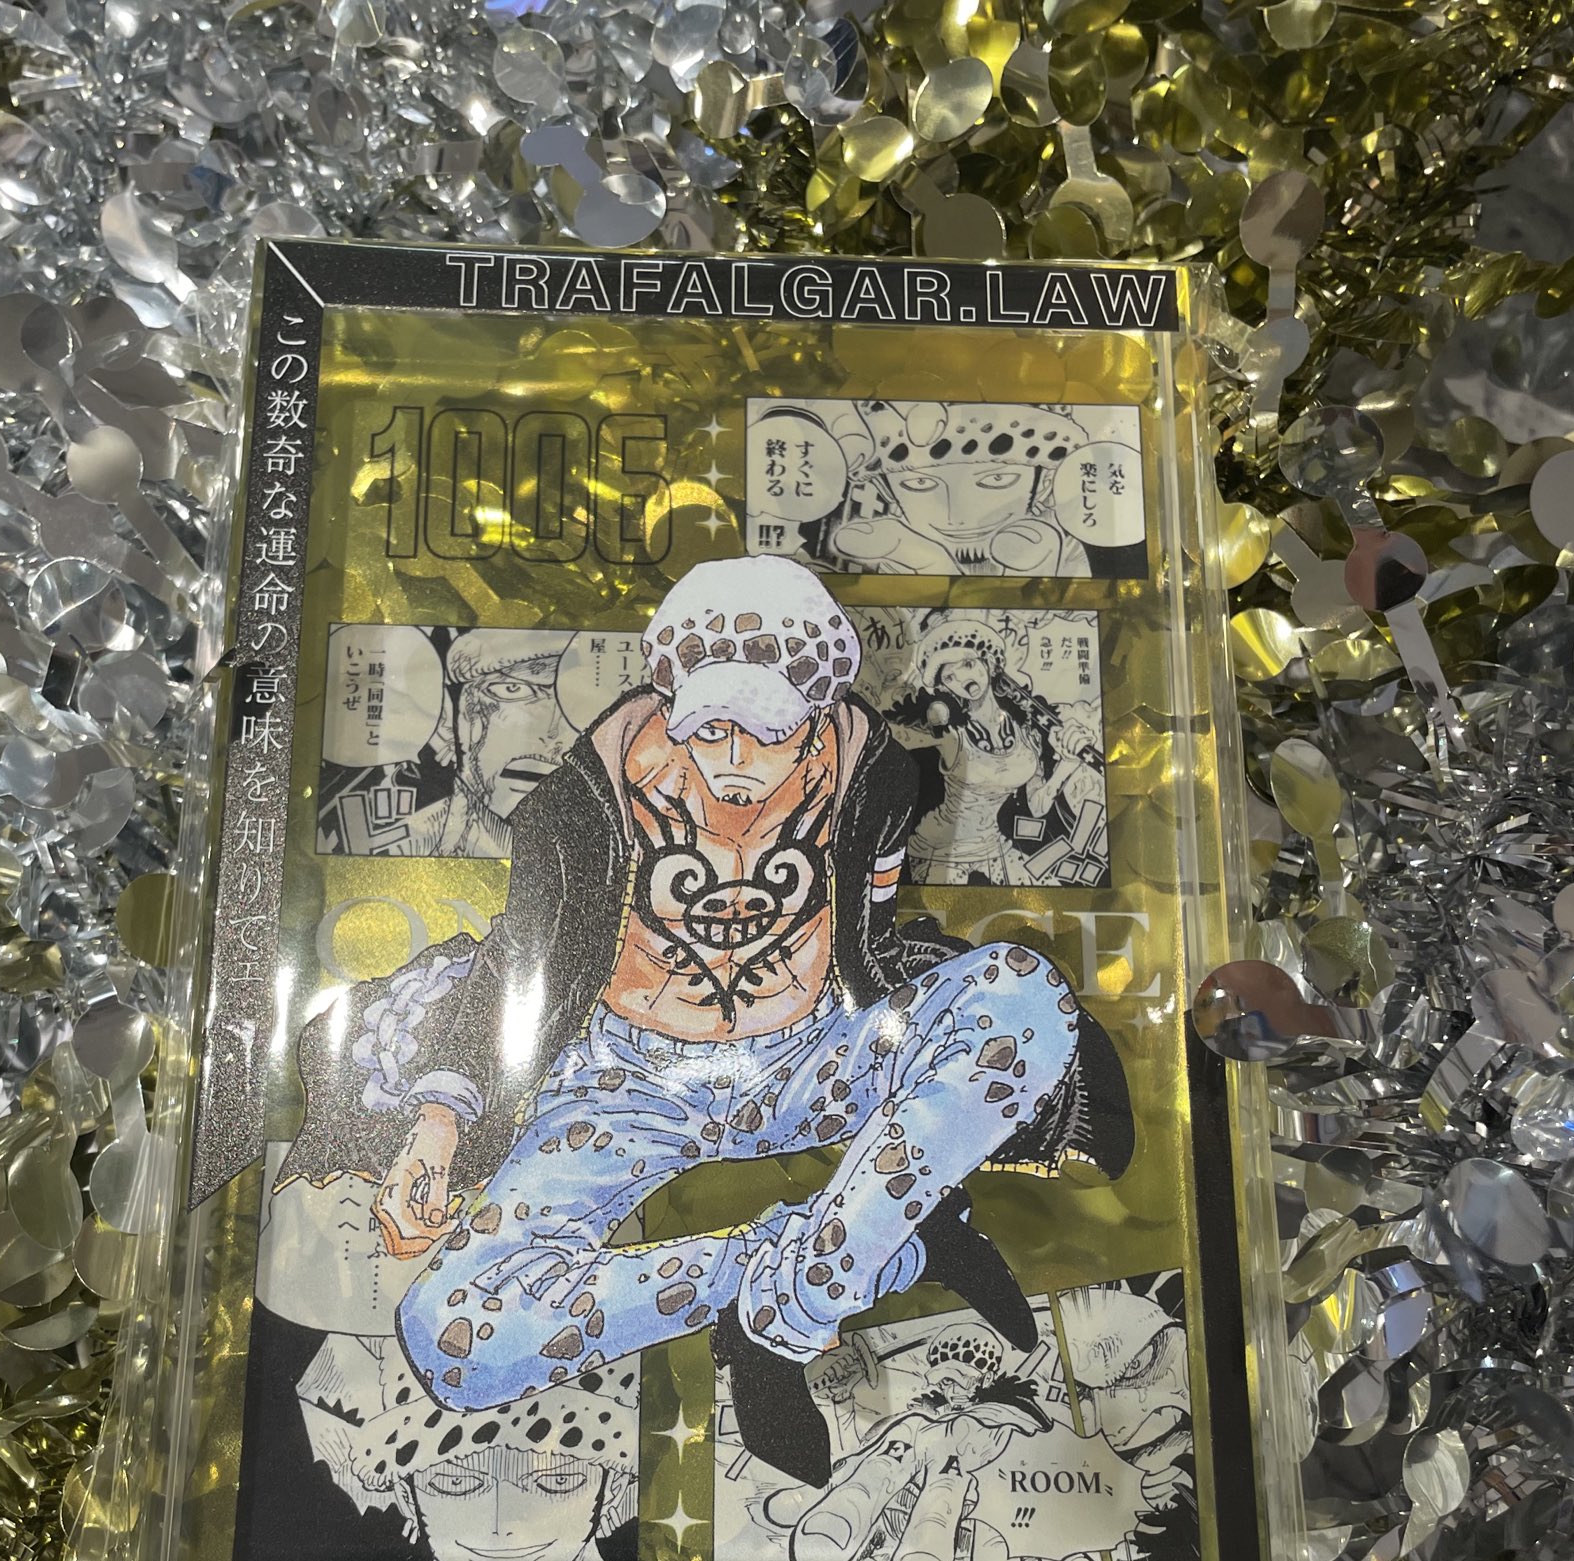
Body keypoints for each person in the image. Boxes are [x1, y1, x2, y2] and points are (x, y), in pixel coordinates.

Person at [314, 554, 1133, 1489]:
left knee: (1022, 993)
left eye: (768, 732)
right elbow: (522, 950)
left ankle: (784, 1319)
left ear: (817, 710)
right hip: (624, 1087)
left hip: (810, 1057)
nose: (735, 759)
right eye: (709, 728)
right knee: (450, 1337)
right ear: (672, 701)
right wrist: (440, 1118)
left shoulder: (870, 771)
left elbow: (868, 938)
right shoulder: (589, 792)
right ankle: (846, 1257)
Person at [881, 618, 1106, 887]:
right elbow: (890, 734)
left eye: (968, 664)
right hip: (944, 850)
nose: (963, 679)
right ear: (945, 688)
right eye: (950, 677)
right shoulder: (950, 732)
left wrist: (1067, 765)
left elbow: (1037, 806)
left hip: (999, 846)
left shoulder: (1026, 732)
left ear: (987, 663)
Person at [820, 403, 1148, 580]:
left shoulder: (1085, 553)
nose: (958, 517)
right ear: (887, 490)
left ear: (1044, 481)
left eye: (996, 480)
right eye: (919, 484)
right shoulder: (877, 566)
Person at [402, 629, 579, 856]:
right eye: (513, 689)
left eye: (577, 700)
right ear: (451, 714)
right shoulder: (409, 843)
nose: (553, 733)